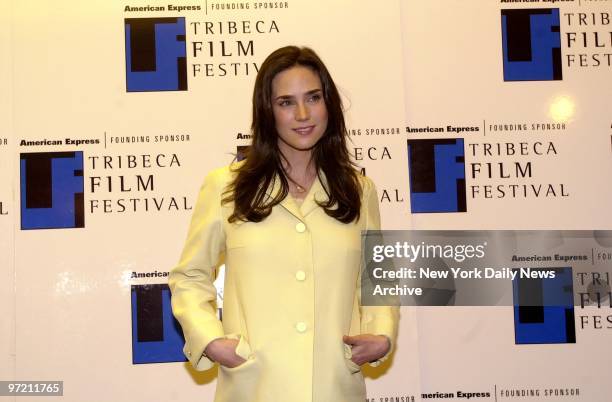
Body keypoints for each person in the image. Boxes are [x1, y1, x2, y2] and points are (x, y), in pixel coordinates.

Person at [169, 46, 399, 402]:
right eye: (286, 102)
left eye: (313, 97)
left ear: (329, 104)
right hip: (254, 387)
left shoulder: (359, 190)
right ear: (267, 111)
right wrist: (212, 341)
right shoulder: (226, 186)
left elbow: (377, 277)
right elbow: (190, 276)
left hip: (335, 387)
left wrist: (382, 333)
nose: (303, 114)